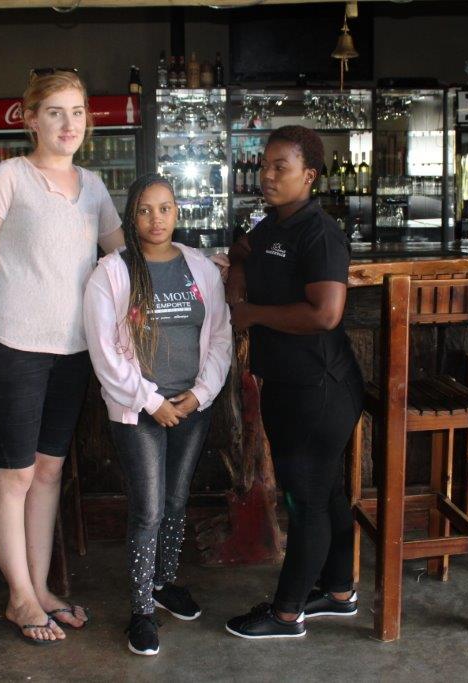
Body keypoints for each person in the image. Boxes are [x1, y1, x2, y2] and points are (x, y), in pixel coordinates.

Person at [0, 71, 123, 645]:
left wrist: (193, 260)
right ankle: (18, 597)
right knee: (14, 473)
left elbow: (125, 258)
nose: (69, 124)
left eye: (78, 112)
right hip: (11, 347)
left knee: (48, 472)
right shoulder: (7, 178)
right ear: (29, 119)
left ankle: (40, 588)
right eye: (55, 112)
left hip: (73, 351)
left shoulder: (93, 187)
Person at [223, 126, 364, 640]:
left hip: (319, 387)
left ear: (310, 175)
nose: (267, 175)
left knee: (306, 500)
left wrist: (253, 314)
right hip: (288, 382)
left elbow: (326, 314)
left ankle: (286, 614)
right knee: (323, 492)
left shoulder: (318, 233)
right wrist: (240, 270)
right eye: (264, 164)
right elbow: (241, 258)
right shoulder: (271, 226)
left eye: (280, 166)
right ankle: (339, 592)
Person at [83, 173, 232, 656]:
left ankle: (164, 583)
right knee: (148, 509)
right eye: (145, 210)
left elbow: (221, 334)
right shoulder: (112, 273)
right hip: (139, 410)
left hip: (191, 406)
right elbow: (105, 351)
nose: (156, 219)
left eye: (165, 208)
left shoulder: (199, 267)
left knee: (176, 500)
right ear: (132, 216)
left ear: (177, 212)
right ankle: (141, 610)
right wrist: (152, 402)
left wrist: (201, 393)